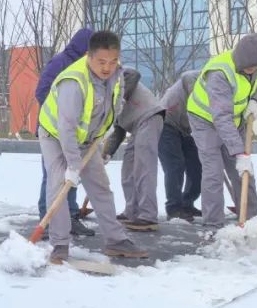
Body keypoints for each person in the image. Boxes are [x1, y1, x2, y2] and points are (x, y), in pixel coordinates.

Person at [38, 29, 147, 263]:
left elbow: (114, 104)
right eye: (101, 62)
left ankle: (115, 240)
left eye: (112, 61)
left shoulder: (116, 74)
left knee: (101, 187)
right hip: (55, 136)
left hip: (88, 139)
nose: (107, 67)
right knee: (59, 185)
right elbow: (66, 128)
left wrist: (103, 135)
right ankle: (59, 244)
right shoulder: (74, 81)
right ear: (89, 56)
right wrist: (73, 166)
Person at [187, 33, 257, 228]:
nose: (254, 70)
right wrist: (239, 152)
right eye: (250, 67)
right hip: (205, 120)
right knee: (213, 172)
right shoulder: (220, 73)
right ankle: (213, 224)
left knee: (244, 172)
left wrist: (255, 101)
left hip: (235, 120)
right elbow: (221, 118)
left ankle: (251, 220)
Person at [35, 28, 95, 237]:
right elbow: (41, 91)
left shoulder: (87, 67)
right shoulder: (61, 62)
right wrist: (62, 117)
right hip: (52, 130)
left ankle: (71, 217)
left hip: (74, 132)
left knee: (72, 172)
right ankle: (47, 218)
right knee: (53, 175)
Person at [101, 68, 165, 232]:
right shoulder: (105, 99)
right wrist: (106, 153)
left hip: (150, 117)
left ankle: (147, 216)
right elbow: (118, 130)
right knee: (128, 169)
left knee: (144, 168)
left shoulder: (112, 75)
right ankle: (132, 211)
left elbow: (133, 74)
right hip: (137, 126)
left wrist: (120, 98)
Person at [158, 70, 203, 221]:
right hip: (166, 123)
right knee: (175, 166)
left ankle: (187, 203)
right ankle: (174, 208)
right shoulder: (197, 78)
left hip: (186, 129)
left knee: (196, 165)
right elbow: (187, 77)